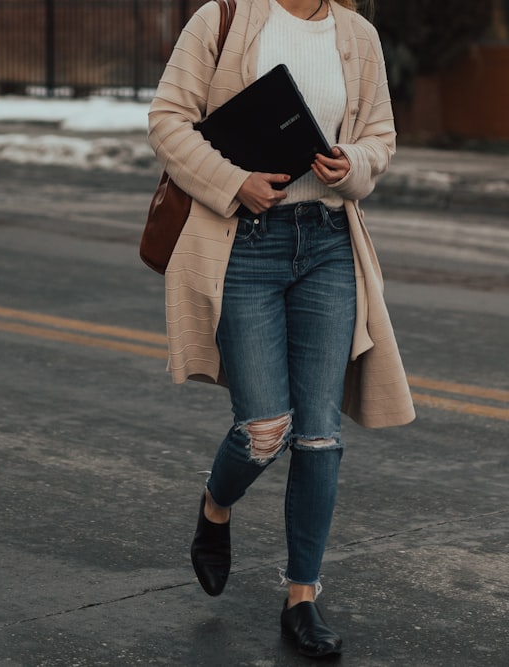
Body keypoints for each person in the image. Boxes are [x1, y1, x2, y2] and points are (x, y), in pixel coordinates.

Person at [147, 0, 415, 658]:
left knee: (319, 436)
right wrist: (234, 181)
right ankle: (216, 505)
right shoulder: (225, 19)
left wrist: (350, 163)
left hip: (326, 245)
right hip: (246, 246)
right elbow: (167, 121)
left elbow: (380, 137)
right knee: (265, 427)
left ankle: (302, 598)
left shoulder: (358, 36)